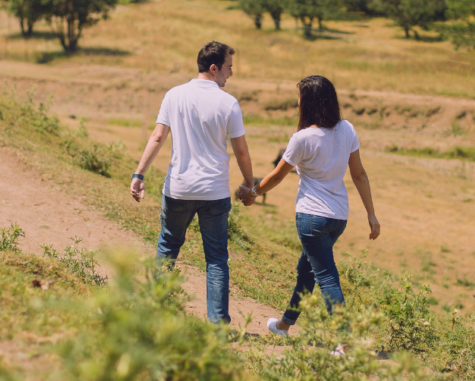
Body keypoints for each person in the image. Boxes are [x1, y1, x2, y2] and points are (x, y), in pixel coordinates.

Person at [238, 75, 380, 343]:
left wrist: (253, 192)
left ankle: (344, 341)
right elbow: (359, 174)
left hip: (311, 218)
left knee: (327, 278)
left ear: (308, 102)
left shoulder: (302, 138)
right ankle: (283, 324)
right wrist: (371, 214)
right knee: (308, 270)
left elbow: (278, 176)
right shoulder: (347, 129)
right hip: (338, 218)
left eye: (300, 97)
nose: (297, 102)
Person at [130, 41, 255, 324]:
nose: (231, 74)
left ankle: (156, 312)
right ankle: (218, 323)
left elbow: (157, 137)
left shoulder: (174, 95)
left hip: (179, 189)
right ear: (214, 69)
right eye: (228, 67)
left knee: (168, 248)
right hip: (214, 192)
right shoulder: (228, 103)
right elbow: (242, 151)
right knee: (216, 259)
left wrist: (139, 174)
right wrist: (250, 184)